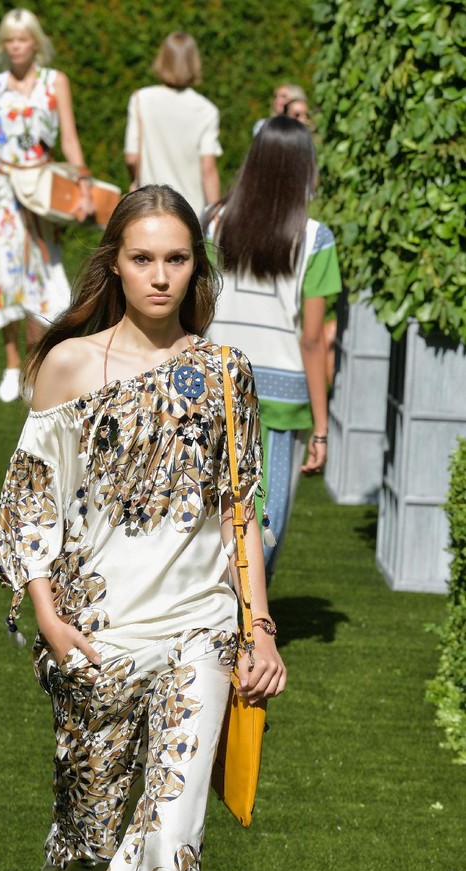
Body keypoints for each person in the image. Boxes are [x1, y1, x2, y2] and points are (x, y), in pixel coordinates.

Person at [0, 186, 286, 871]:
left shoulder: (226, 372)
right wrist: (47, 618)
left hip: (197, 632)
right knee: (88, 829)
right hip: (95, 635)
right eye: (143, 259)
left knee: (170, 835)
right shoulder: (70, 366)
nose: (161, 276)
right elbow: (31, 500)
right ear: (113, 265)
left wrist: (260, 630)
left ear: (198, 268)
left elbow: (243, 512)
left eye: (178, 260)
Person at [206, 117, 341, 580]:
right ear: (305, 167)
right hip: (281, 396)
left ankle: (219, 621)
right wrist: (322, 428)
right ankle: (250, 626)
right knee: (267, 519)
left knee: (208, 512)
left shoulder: (213, 220)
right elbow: (313, 337)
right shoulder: (316, 238)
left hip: (213, 382)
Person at [0, 9, 94, 403]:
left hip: (43, 192)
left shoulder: (55, 83)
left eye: (22, 39)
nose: (15, 46)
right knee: (5, 279)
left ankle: (34, 367)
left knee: (43, 284)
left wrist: (85, 187)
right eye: (8, 40)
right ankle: (10, 363)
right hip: (3, 194)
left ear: (35, 42)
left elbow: (70, 139)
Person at [123, 32, 221, 218]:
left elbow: (131, 158)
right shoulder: (207, 110)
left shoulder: (141, 100)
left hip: (147, 207)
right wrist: (214, 217)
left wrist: (136, 179)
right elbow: (208, 169)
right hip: (188, 212)